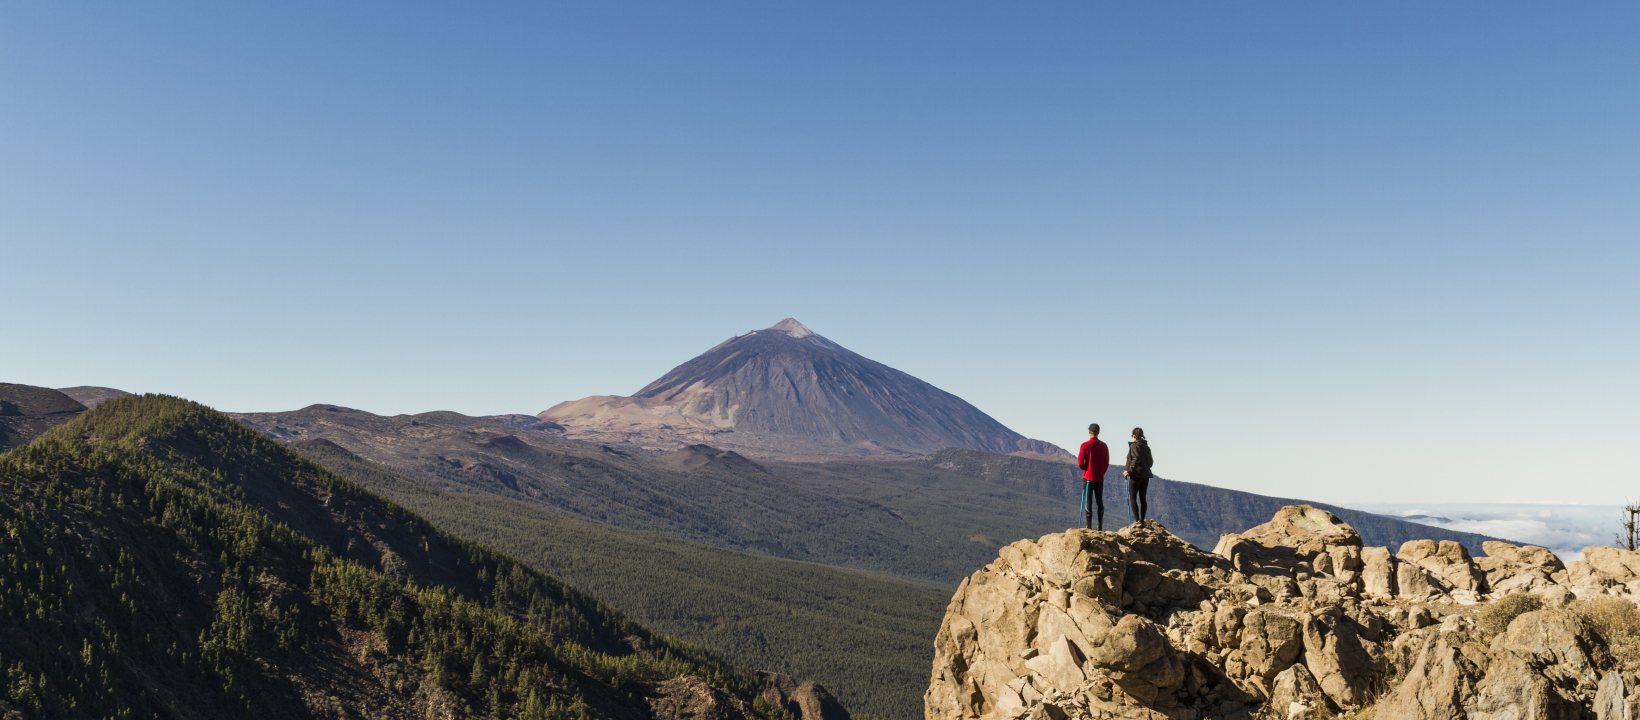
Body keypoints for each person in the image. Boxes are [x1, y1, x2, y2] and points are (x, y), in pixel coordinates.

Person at [1076, 423, 1110, 530]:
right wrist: (1101, 472)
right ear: (1098, 432)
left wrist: (1086, 468)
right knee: (1099, 501)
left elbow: (1080, 462)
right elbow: (1106, 462)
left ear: (1089, 431)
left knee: (1088, 501)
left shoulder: (1085, 445)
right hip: (1100, 478)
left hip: (1088, 477)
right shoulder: (1104, 446)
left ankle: (1089, 527)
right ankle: (1099, 526)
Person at [1123, 427, 1154, 525]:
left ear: (1135, 436)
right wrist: (1145, 467)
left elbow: (1135, 459)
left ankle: (1137, 521)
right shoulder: (1147, 447)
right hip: (1145, 475)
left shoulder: (1134, 446)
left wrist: (1129, 471)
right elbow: (1150, 463)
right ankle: (1142, 520)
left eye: (1132, 435)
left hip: (1136, 475)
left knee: (1132, 497)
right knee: (1143, 498)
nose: (1132, 437)